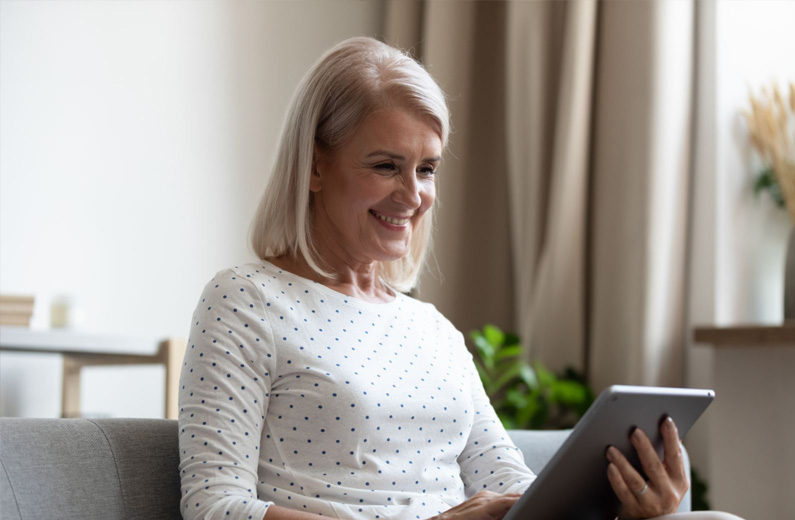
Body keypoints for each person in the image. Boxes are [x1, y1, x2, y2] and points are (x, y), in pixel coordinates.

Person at [177, 36, 743, 520]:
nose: (413, 195)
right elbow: (214, 507)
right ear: (315, 166)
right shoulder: (246, 300)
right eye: (386, 166)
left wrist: (630, 508)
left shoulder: (432, 330)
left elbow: (513, 488)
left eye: (426, 169)